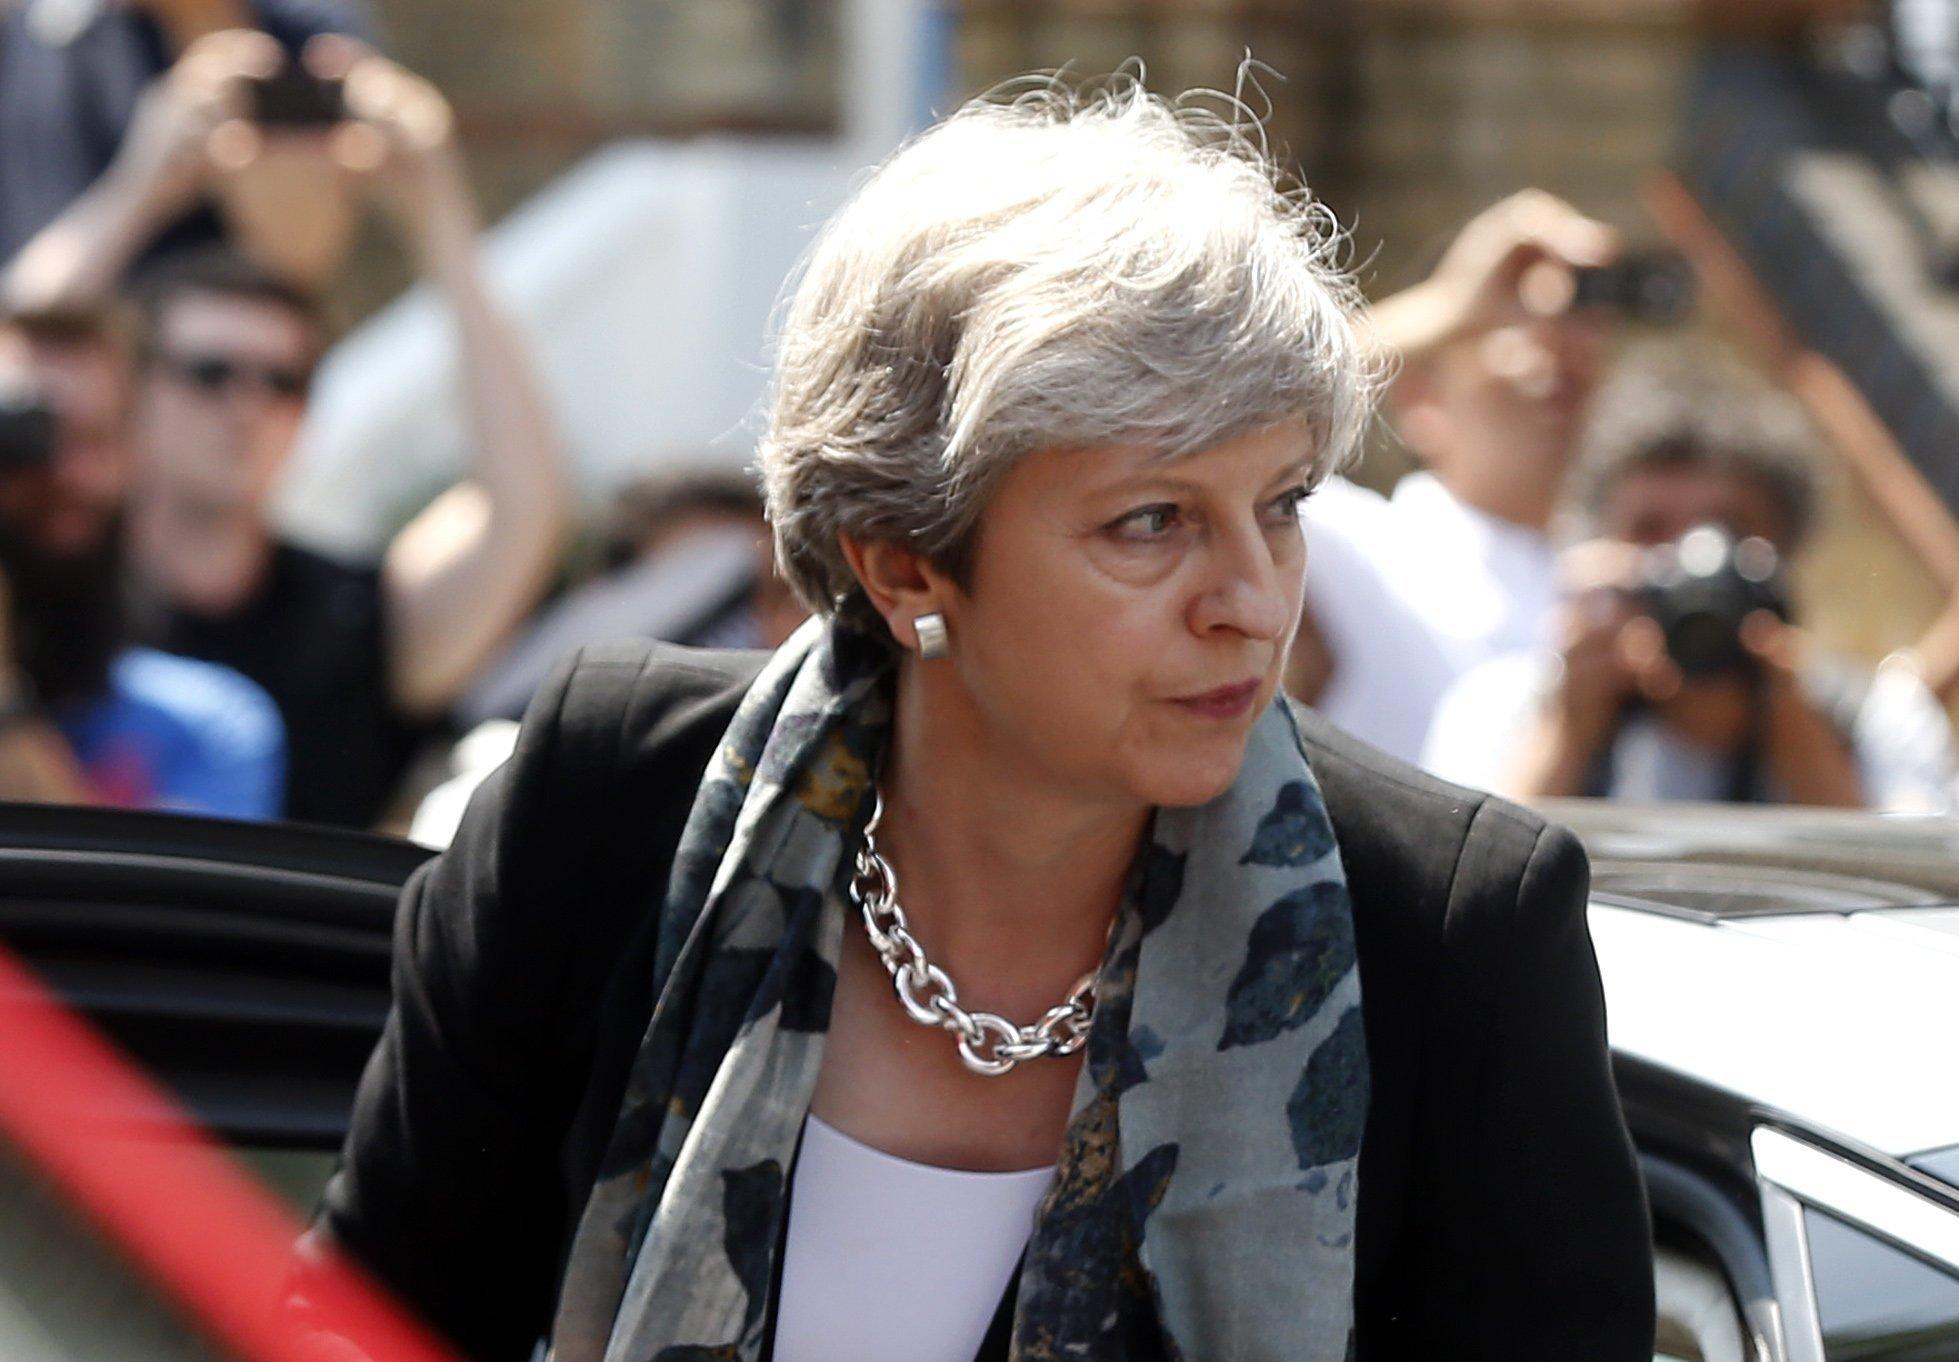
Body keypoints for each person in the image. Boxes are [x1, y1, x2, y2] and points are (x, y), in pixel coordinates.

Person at [303, 77, 1652, 1361]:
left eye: (1282, 502)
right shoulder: (612, 800)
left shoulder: (1447, 931)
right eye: (1151, 522)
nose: (1249, 598)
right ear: (900, 563)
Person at [29, 39, 571, 829]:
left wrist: (435, 205)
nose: (247, 405)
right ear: (131, 396)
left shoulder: (353, 620)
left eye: (282, 381)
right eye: (210, 372)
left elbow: (523, 506)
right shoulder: (51, 589)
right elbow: (20, 372)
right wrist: (138, 189)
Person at [1423, 346, 1956, 809]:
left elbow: (1917, 901)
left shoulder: (1875, 718)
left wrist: (1793, 729)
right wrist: (1569, 731)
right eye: (1650, 532)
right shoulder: (1499, 708)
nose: (1689, 564)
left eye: (1726, 530)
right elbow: (1460, 898)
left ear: (1783, 556)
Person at [1287, 190, 1618, 763]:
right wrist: (1448, 306)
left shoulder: (1611, 579)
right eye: (1517, 326)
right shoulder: (1360, 542)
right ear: (1419, 396)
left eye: (1578, 325)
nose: (1558, 351)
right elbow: (1203, 426)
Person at [0, 307, 282, 817]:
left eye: (94, 438)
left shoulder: (208, 727)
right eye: (26, 437)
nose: (64, 470)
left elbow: (102, 896)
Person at [0, 6, 370, 286]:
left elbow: (306, 260)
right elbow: (24, 309)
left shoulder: (297, 25)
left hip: (254, 347)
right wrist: (143, 186)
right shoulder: (41, 48)